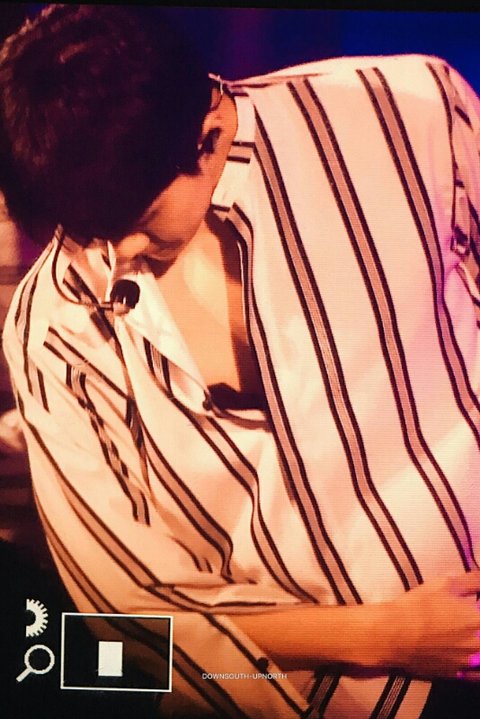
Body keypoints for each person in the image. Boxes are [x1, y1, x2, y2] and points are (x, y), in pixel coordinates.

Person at [0, 5, 479, 718]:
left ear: (210, 136)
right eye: (90, 231)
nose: (115, 256)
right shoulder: (50, 328)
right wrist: (388, 636)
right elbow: (133, 613)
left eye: (138, 224)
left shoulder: (408, 110)